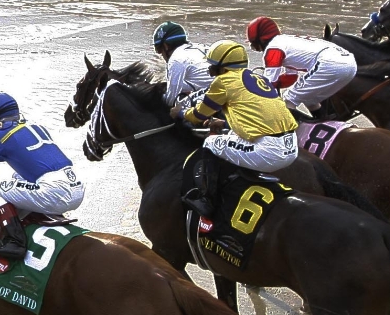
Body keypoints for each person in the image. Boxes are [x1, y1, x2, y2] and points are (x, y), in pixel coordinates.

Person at [0, 93, 84, 261]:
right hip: (76, 186)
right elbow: (6, 154)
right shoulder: (34, 126)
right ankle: (32, 218)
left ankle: (16, 241)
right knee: (17, 176)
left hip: (55, 192)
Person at [178, 40, 300, 215]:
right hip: (292, 147)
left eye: (212, 65)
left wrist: (180, 113)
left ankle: (207, 200)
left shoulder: (223, 81)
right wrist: (225, 123)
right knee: (230, 135)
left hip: (270, 151)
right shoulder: (257, 78)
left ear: (223, 66)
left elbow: (198, 115)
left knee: (211, 143)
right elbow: (257, 115)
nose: (209, 69)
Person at [245, 16, 357, 113]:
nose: (255, 49)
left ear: (261, 40)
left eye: (254, 44)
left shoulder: (273, 49)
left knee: (289, 99)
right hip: (350, 63)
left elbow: (268, 85)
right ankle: (324, 123)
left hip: (330, 63)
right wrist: (278, 83)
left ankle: (287, 133)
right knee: (309, 99)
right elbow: (291, 77)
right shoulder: (285, 41)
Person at [153, 21, 211, 107]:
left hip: (216, 98)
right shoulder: (200, 47)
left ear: (166, 46)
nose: (162, 55)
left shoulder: (175, 59)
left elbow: (171, 100)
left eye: (159, 50)